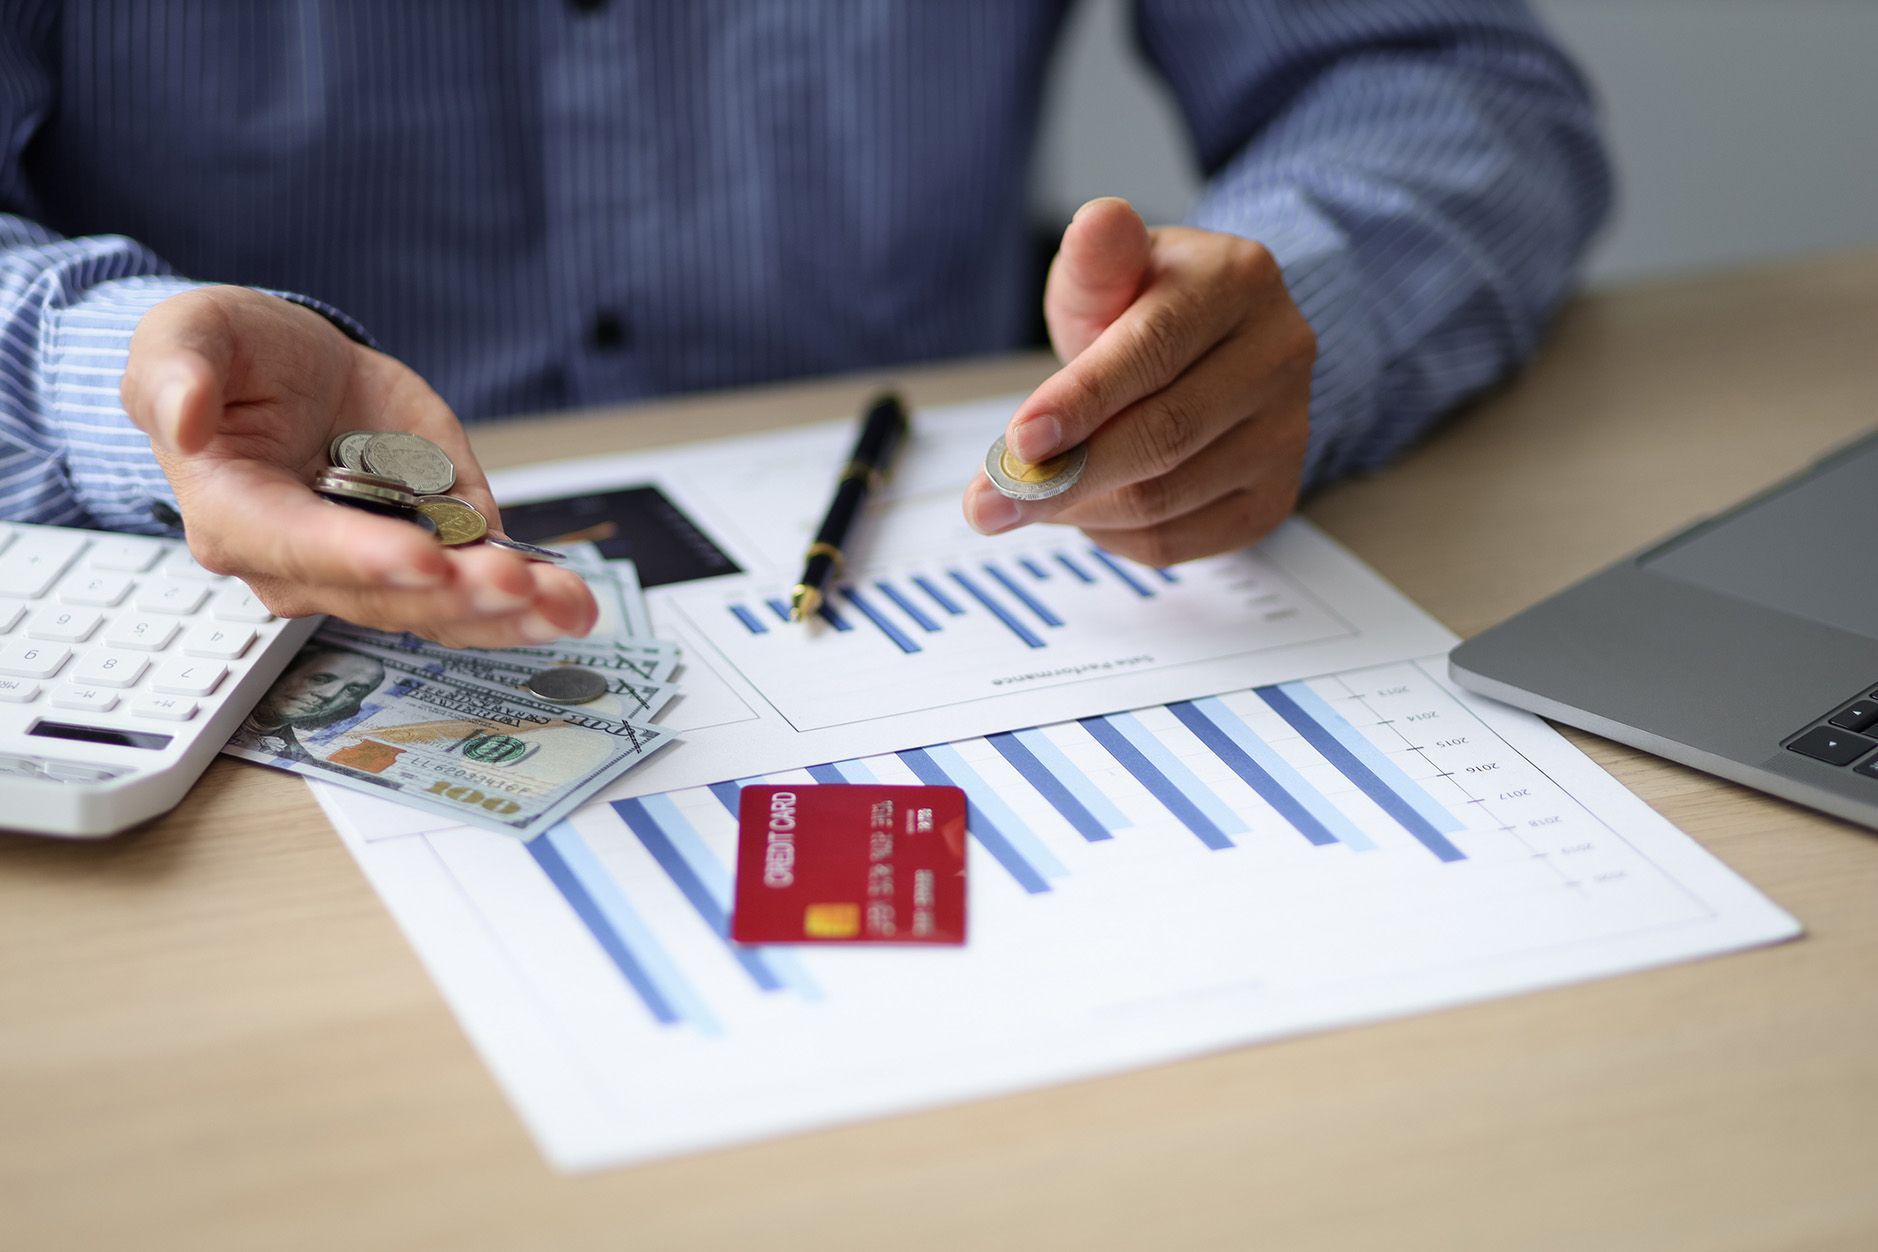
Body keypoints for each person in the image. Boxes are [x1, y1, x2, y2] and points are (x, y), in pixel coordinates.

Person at [0, 3, 1610, 648]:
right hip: (198, 642)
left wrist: (1294, 306)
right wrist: (119, 372)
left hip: (969, 550)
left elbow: (1443, 80)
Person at [237, 649, 386, 765]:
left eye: (352, 690)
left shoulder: (297, 757)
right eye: (320, 679)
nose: (329, 694)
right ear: (287, 671)